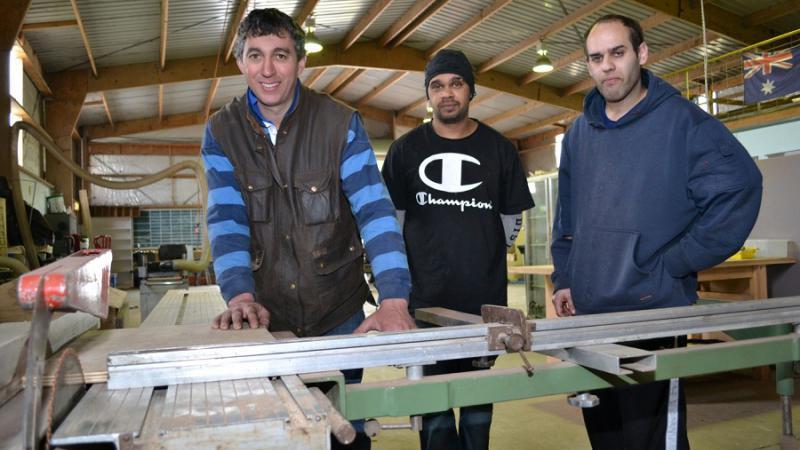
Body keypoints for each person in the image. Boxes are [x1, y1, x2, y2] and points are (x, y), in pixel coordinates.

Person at [200, 8, 415, 449]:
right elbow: (227, 220)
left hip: (339, 313)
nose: (267, 69)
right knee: (279, 433)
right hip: (267, 317)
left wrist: (394, 298)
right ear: (240, 61)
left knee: (343, 431)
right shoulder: (221, 132)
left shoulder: (340, 123)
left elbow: (374, 211)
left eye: (280, 55)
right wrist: (239, 295)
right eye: (255, 55)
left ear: (301, 62)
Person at [550, 14, 763, 450]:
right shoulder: (578, 135)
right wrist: (566, 276)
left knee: (651, 441)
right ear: (588, 67)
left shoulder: (683, 123)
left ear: (641, 54)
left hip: (654, 312)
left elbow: (741, 188)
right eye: (596, 58)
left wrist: (676, 262)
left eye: (618, 53)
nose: (607, 66)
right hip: (590, 317)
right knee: (606, 437)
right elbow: (567, 215)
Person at [382, 49, 535, 450]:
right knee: (433, 415)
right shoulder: (405, 151)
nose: (447, 93)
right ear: (427, 95)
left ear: (471, 90)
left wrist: (479, 257)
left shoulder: (499, 149)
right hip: (426, 300)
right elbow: (391, 225)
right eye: (437, 85)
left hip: (482, 306)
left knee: (477, 414)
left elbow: (510, 221)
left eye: (455, 83)